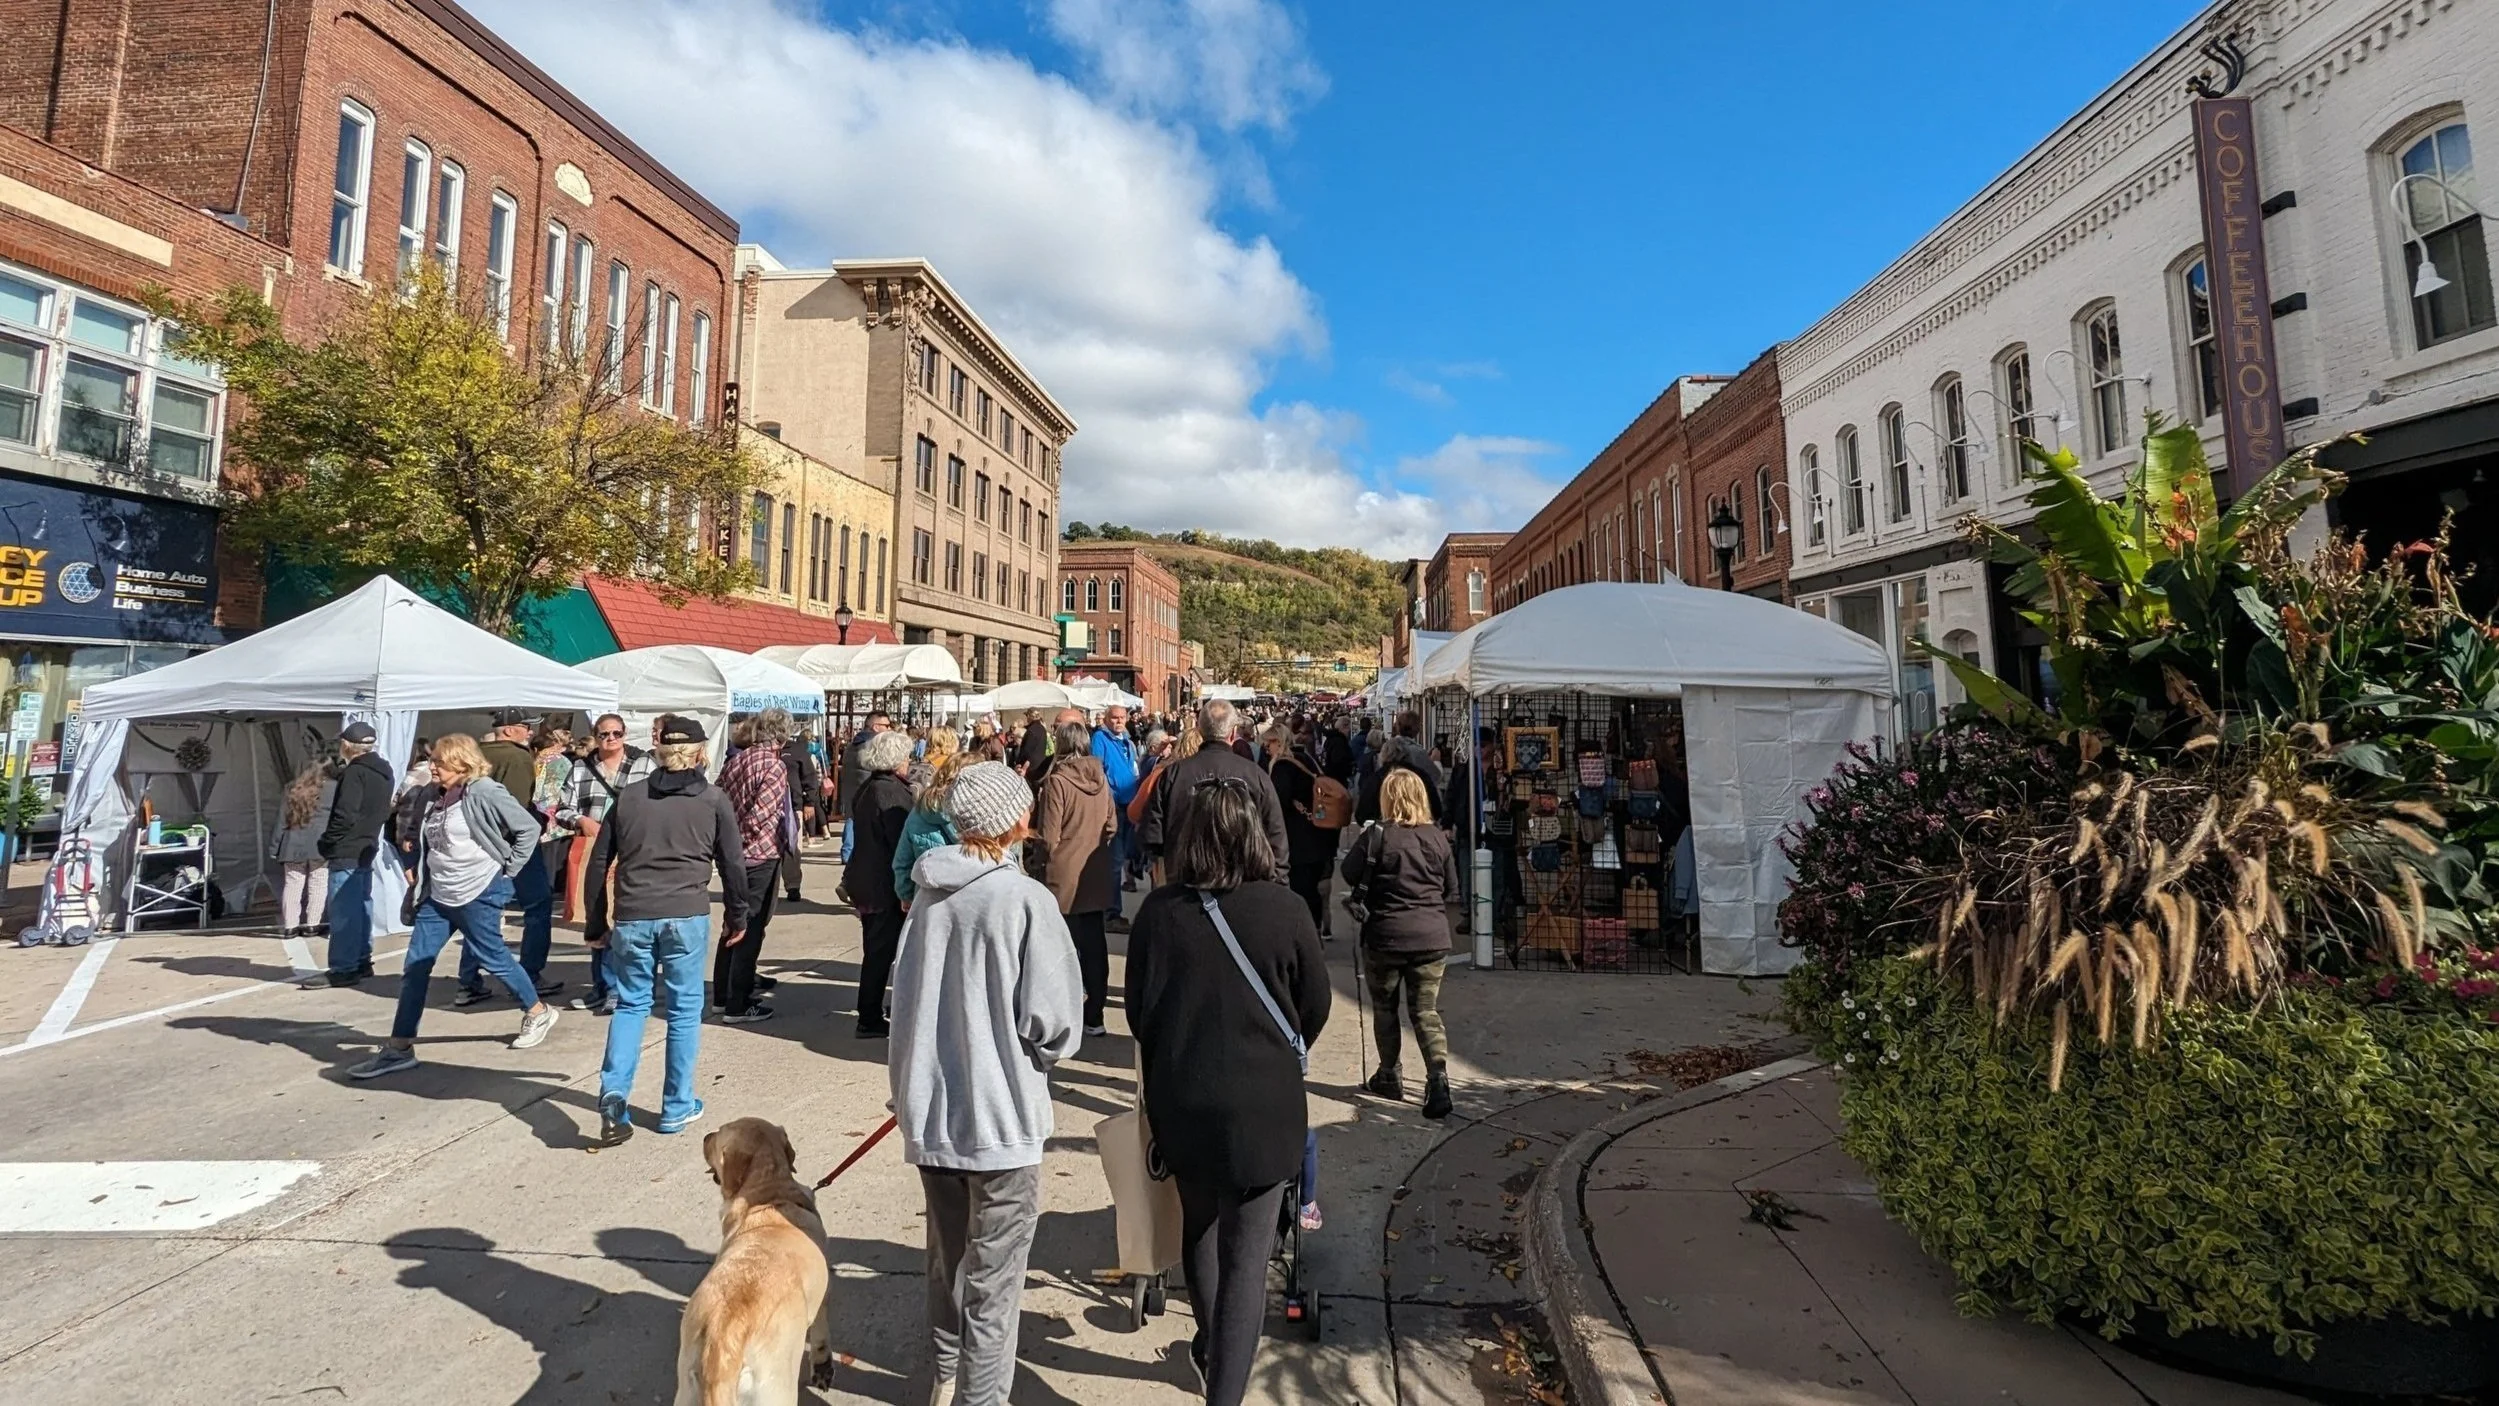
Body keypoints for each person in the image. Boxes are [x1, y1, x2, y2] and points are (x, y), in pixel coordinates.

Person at [1125, 779, 1330, 1402]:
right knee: (1247, 1261)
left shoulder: (1158, 914)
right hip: (1263, 1103)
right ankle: (1225, 1383)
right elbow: (1315, 1006)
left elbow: (1138, 1013)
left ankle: (1213, 1346)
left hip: (1183, 1098)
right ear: (1255, 836)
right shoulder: (1286, 910)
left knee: (1201, 1229)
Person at [889, 761, 1083, 1406]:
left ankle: (946, 1375)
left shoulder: (928, 896)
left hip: (933, 1107)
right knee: (994, 1281)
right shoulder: (1024, 900)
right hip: (1002, 1115)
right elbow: (1055, 1021)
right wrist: (1045, 1054)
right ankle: (979, 1396)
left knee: (948, 1257)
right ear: (1015, 821)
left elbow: (905, 998)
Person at [581, 717, 749, 1144]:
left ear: (658, 752)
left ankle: (614, 1092)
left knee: (631, 1005)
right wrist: (738, 915)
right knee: (684, 1011)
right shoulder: (713, 800)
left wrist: (596, 921)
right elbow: (733, 863)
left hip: (634, 914)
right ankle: (676, 1105)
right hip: (685, 913)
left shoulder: (630, 797)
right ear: (699, 753)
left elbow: (600, 861)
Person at [347, 735, 555, 1078]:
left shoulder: (484, 790)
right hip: (438, 895)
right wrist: (413, 861)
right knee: (415, 967)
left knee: (494, 957)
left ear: (462, 762)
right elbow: (417, 833)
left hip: (478, 891)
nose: (433, 767)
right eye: (433, 761)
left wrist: (509, 868)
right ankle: (399, 1047)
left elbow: (528, 828)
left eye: (440, 762)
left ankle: (537, 1010)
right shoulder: (432, 794)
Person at [1342, 769, 1459, 1119]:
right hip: (1431, 937)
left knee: (1385, 1008)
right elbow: (1450, 886)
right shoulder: (1437, 838)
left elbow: (1349, 872)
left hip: (1386, 935)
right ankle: (1437, 1078)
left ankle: (1389, 1074)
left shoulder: (1377, 836)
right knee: (1425, 1011)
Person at [556, 713, 654, 1013]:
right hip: (595, 850)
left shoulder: (644, 764)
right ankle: (602, 986)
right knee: (596, 915)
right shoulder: (580, 768)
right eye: (604, 734)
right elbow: (562, 809)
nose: (610, 739)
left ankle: (618, 988)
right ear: (595, 736)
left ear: (625, 734)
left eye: (616, 734)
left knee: (623, 921)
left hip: (632, 849)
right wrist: (581, 820)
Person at [1029, 720, 1117, 1037]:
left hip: (1061, 874)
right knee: (1094, 945)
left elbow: (1049, 835)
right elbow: (1112, 826)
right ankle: (1095, 1015)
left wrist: (1036, 860)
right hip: (1093, 870)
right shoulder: (1101, 778)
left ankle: (1062, 1013)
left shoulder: (1057, 781)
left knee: (1060, 947)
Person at [1139, 700, 1288, 878]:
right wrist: (1277, 881)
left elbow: (1151, 834)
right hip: (1240, 879)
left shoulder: (1174, 774)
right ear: (1233, 732)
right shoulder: (1255, 775)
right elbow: (1276, 836)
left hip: (1188, 879)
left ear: (1200, 730)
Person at [715, 709, 798, 1024]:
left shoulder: (737, 760)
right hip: (759, 854)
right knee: (751, 927)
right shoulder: (773, 766)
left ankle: (722, 995)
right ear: (782, 735)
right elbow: (760, 815)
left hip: (732, 854)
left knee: (733, 922)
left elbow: (719, 801)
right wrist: (745, 840)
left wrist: (728, 844)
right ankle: (738, 1001)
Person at [477, 708, 564, 1001]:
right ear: (509, 729)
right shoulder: (517, 757)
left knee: (480, 912)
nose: (531, 732)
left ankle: (469, 980)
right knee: (538, 906)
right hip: (513, 845)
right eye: (526, 726)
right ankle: (530, 974)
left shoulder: (475, 753)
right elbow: (517, 806)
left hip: (478, 846)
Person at [305, 720, 394, 988]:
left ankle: (344, 967)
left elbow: (345, 814)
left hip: (348, 847)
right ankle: (362, 960)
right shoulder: (384, 770)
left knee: (344, 910)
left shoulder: (355, 773)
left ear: (346, 745)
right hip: (367, 844)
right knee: (362, 905)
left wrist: (327, 842)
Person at [844, 729, 917, 1038]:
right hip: (881, 884)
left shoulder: (871, 786)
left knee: (878, 949)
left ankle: (872, 1011)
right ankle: (869, 1016)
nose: (909, 762)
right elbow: (900, 842)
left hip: (868, 878)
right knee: (880, 952)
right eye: (906, 757)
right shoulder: (888, 792)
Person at [1261, 723, 1338, 939]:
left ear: (1279, 742)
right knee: (1313, 889)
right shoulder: (1306, 759)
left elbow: (1278, 805)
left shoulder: (1282, 767)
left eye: (1269, 744)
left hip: (1298, 839)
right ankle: (1315, 930)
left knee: (1299, 889)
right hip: (1319, 832)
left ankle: (1304, 936)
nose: (1267, 749)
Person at [893, 749, 975, 907]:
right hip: (973, 900)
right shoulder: (983, 816)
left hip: (928, 900)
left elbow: (903, 862)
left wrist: (906, 895)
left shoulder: (921, 810)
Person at [1090, 705, 1142, 921]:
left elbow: (1133, 769)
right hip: (1114, 806)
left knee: (1126, 856)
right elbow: (1097, 771)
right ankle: (1111, 913)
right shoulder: (1100, 739)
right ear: (1106, 719)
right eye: (1114, 717)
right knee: (1114, 861)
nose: (1118, 721)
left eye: (1122, 717)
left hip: (1130, 805)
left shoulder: (1127, 741)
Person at [272, 762, 335, 939]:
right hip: (320, 843)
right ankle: (312, 925)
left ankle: (290, 926)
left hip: (293, 844)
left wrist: (274, 847)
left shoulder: (291, 788)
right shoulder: (333, 788)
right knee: (318, 883)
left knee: (292, 884)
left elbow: (281, 820)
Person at [1356, 711, 1446, 827]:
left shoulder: (1376, 779)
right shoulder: (1419, 775)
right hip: (1415, 829)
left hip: (1385, 832)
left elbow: (1362, 814)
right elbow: (1436, 807)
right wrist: (1436, 761)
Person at [836, 711, 896, 868]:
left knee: (851, 819)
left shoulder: (853, 744)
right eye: (886, 725)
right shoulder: (874, 745)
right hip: (867, 788)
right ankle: (851, 853)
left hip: (851, 787)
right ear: (876, 727)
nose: (889, 729)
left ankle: (847, 852)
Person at [779, 720, 824, 902]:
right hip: (767, 807)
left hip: (793, 806)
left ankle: (793, 886)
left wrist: (809, 803)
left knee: (793, 848)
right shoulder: (763, 750)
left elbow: (810, 778)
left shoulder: (798, 751)